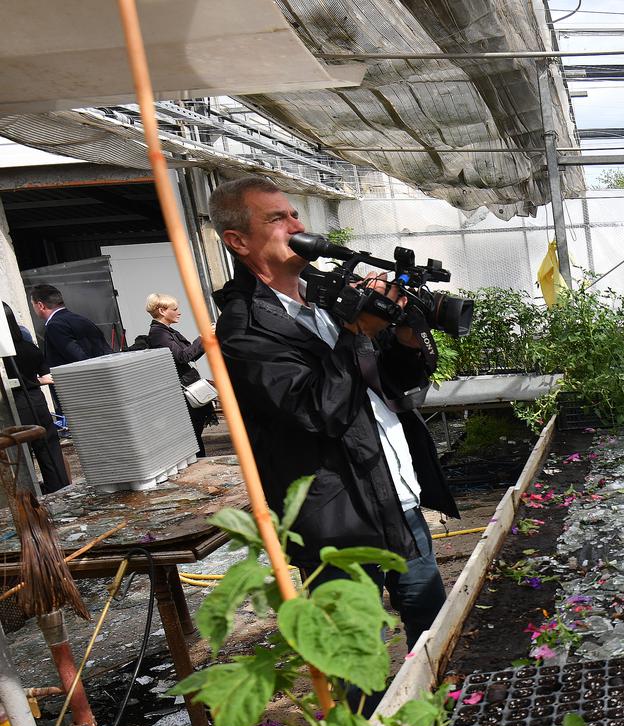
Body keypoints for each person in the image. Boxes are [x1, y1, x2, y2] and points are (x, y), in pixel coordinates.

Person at [207, 176, 457, 648]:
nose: (295, 224)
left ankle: (442, 719)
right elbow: (318, 411)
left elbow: (392, 381)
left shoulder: (324, 295)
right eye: (276, 218)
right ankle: (368, 721)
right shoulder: (244, 329)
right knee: (359, 654)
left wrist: (404, 333)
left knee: (438, 637)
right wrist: (355, 332)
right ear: (238, 241)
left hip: (395, 497)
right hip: (337, 520)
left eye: (294, 214)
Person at [2, 302, 71, 493]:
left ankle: (29, 493)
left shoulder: (6, 354)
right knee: (49, 447)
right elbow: (45, 374)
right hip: (37, 400)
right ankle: (59, 486)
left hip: (15, 404)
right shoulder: (28, 347)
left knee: (20, 455)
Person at [144, 293, 218, 456]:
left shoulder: (167, 332)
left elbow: (189, 355)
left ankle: (197, 462)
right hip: (181, 389)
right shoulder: (159, 334)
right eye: (175, 309)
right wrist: (203, 337)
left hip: (186, 386)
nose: (179, 312)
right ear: (162, 311)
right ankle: (197, 463)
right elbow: (183, 357)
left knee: (194, 432)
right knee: (192, 433)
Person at [28, 284, 113, 366]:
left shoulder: (54, 326)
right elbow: (106, 351)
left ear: (40, 305)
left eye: (32, 304)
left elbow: (80, 360)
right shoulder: (83, 319)